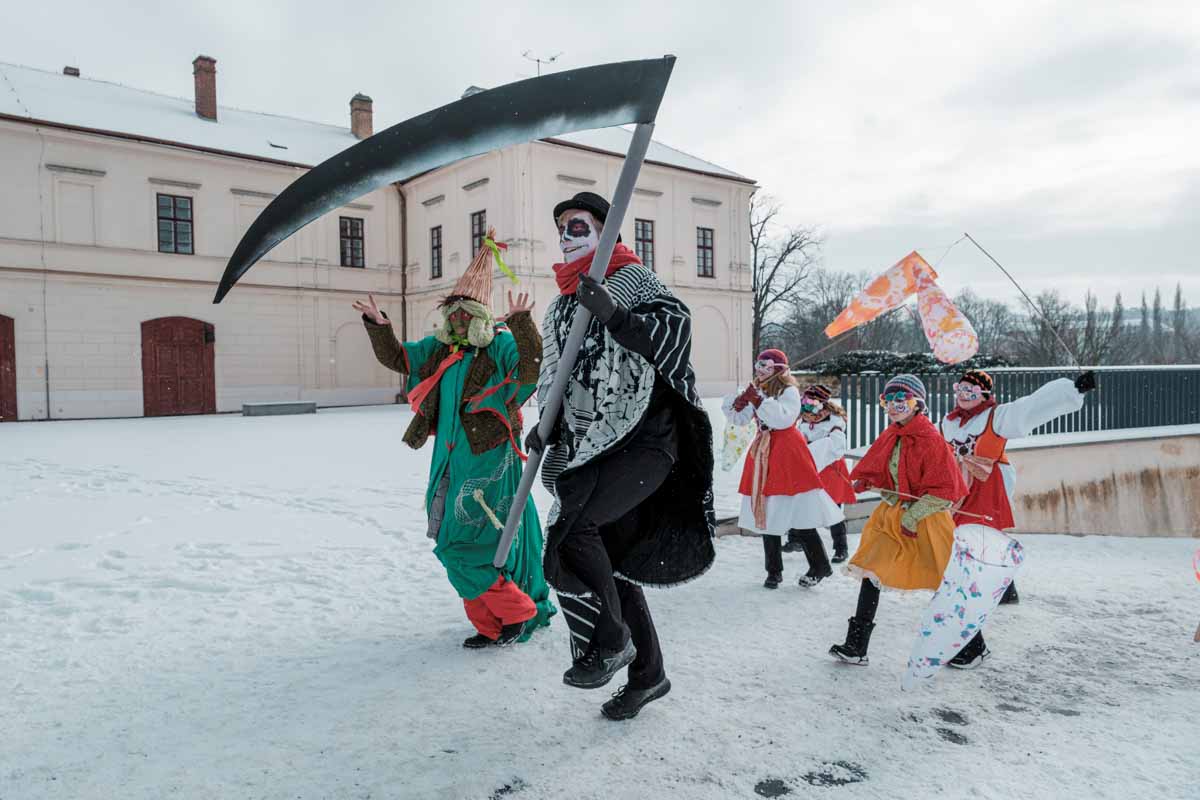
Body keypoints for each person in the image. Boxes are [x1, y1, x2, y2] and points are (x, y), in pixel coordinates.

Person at [527, 191, 716, 720]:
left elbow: (674, 333)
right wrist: (545, 425)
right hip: (592, 446)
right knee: (607, 558)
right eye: (562, 228)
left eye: (578, 225)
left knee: (574, 528)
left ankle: (611, 639)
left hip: (647, 438)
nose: (567, 235)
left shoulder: (633, 279)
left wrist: (613, 313)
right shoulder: (561, 306)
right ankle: (649, 675)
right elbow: (556, 376)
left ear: (605, 230)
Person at [354, 229, 554, 648]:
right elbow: (398, 357)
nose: (460, 320)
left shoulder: (498, 346)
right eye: (454, 314)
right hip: (447, 462)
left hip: (489, 460)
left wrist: (521, 323)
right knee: (450, 541)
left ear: (481, 317)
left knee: (474, 544)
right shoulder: (439, 350)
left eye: (467, 314)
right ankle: (491, 624)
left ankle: (516, 612)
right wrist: (379, 326)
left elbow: (530, 369)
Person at [937, 368, 1096, 667]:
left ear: (984, 394)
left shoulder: (997, 416)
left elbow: (1032, 407)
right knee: (968, 550)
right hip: (958, 489)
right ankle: (1003, 589)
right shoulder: (948, 421)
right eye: (961, 389)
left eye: (972, 390)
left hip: (987, 486)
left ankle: (974, 644)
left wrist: (1073, 390)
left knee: (971, 558)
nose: (964, 395)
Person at [829, 374, 967, 666]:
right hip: (893, 517)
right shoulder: (893, 434)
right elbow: (888, 472)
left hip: (928, 520)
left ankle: (973, 646)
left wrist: (912, 516)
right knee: (872, 570)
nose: (893, 406)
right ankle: (856, 646)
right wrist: (870, 482)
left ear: (918, 403)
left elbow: (944, 492)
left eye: (900, 399)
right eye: (887, 400)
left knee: (946, 583)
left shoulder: (932, 440)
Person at [723, 351, 842, 589]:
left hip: (788, 452)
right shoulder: (759, 388)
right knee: (767, 509)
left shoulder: (788, 391)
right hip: (764, 450)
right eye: (758, 365)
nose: (759, 370)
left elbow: (784, 419)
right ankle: (773, 571)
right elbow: (741, 419)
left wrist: (759, 401)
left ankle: (820, 565)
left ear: (778, 369)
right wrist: (739, 404)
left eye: (765, 366)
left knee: (800, 510)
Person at [792, 383, 856, 564]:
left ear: (821, 402)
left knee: (833, 507)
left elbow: (837, 446)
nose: (807, 405)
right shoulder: (804, 420)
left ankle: (841, 548)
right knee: (800, 502)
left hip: (831, 469)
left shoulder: (834, 421)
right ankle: (795, 539)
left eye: (811, 401)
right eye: (805, 401)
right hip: (809, 468)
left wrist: (818, 450)